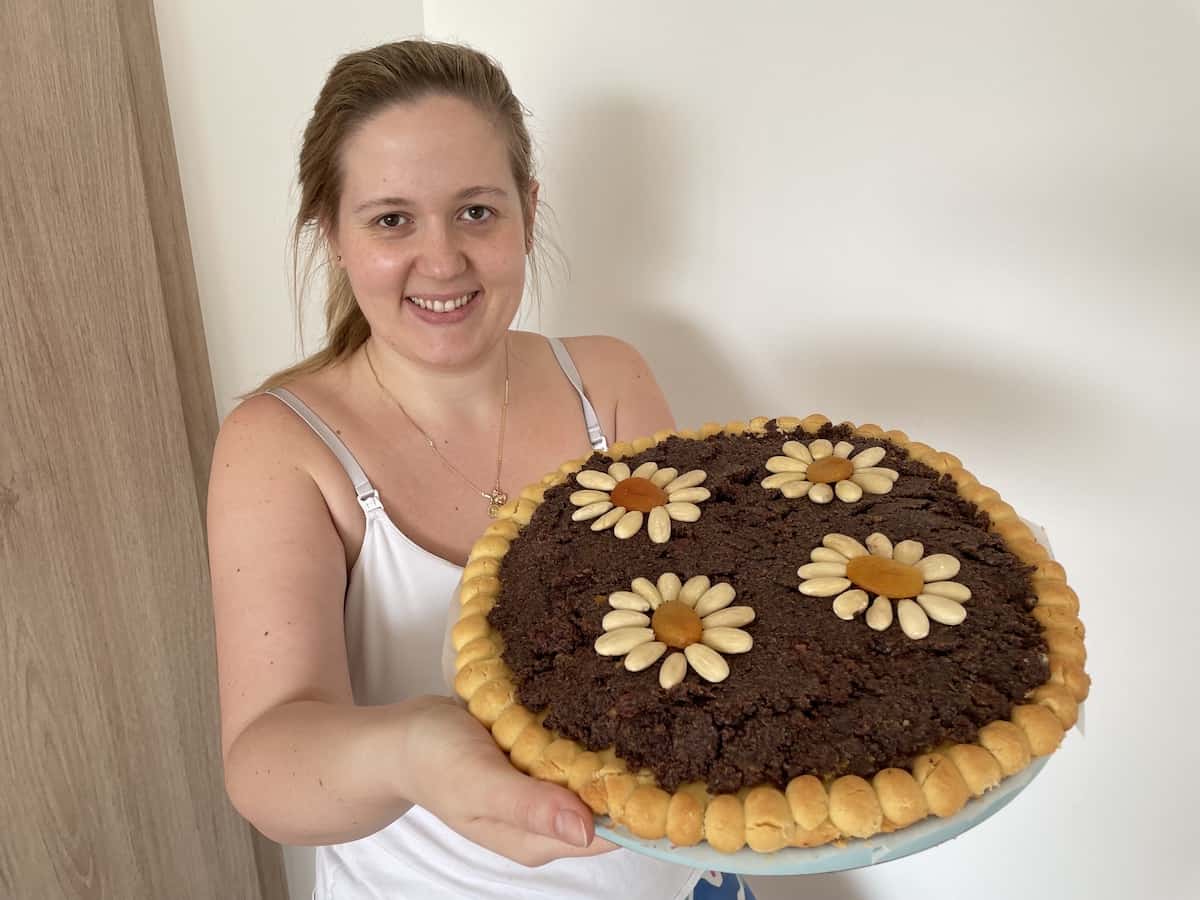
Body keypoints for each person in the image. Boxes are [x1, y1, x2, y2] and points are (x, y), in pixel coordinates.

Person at [207, 39, 756, 899]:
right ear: (333, 235)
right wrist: (418, 749)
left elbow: (700, 629)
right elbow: (266, 762)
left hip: (694, 882)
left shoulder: (608, 382)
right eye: (392, 219)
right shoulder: (281, 444)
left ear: (528, 213)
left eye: (476, 211)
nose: (442, 260)